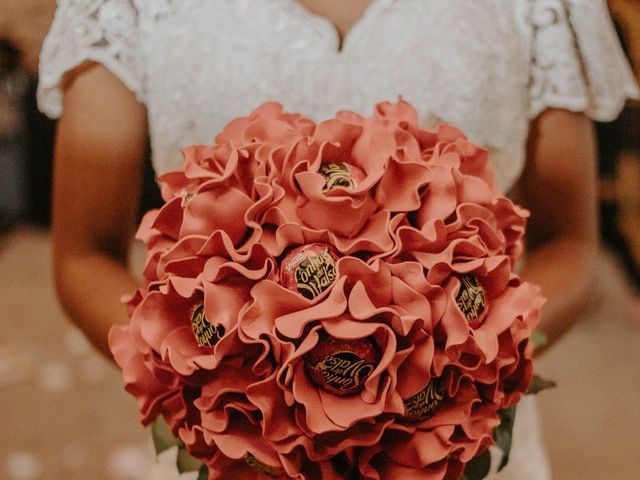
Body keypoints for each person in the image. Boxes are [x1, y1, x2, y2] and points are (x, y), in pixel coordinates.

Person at [37, 0, 639, 478]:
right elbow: (85, 254)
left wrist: (456, 382)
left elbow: (570, 245)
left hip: (445, 443)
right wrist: (213, 390)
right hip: (242, 444)